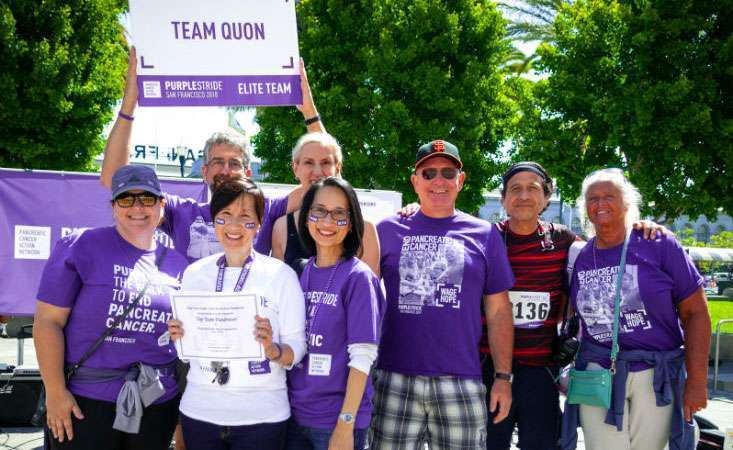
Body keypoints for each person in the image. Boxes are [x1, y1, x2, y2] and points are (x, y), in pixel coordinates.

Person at [100, 47, 325, 260]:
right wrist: (128, 105)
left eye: (234, 163)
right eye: (218, 162)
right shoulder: (181, 213)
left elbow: (326, 186)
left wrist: (309, 112)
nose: (226, 170)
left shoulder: (266, 209)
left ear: (248, 172)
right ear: (204, 171)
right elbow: (114, 178)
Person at [371, 140, 515, 449]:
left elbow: (499, 311)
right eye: (429, 173)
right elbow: (361, 300)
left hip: (460, 380)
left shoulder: (485, 234)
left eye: (448, 173)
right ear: (415, 181)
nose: (439, 181)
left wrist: (503, 377)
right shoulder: (385, 230)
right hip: (394, 377)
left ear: (460, 181)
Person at [33, 165, 189, 449]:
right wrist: (55, 393)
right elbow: (47, 322)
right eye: (127, 199)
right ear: (114, 206)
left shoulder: (180, 265)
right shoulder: (80, 246)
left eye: (147, 198)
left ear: (161, 206)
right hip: (86, 403)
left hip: (155, 402)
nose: (137, 207)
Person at [561, 169, 710, 450]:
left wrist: (697, 382)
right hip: (597, 373)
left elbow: (697, 313)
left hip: (654, 375)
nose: (601, 203)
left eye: (610, 196)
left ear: (627, 203)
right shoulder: (581, 257)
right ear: (585, 209)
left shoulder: (658, 243)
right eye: (593, 198)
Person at [167, 175, 306, 450]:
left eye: (245, 217)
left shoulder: (281, 275)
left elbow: (297, 349)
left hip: (262, 417)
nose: (233, 226)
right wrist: (178, 336)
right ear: (213, 219)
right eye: (225, 215)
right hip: (200, 412)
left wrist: (273, 349)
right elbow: (185, 352)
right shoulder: (194, 274)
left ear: (258, 225)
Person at [480, 162, 578, 450]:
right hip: (488, 367)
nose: (523, 195)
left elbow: (607, 247)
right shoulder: (484, 238)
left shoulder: (564, 241)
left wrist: (638, 226)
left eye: (533, 188)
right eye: (515, 189)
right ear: (503, 199)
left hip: (540, 369)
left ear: (547, 197)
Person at [285, 176, 383, 450]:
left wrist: (345, 424)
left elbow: (363, 358)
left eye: (339, 214)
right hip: (295, 416)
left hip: (336, 422)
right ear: (306, 217)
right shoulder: (300, 272)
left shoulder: (358, 277)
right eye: (319, 211)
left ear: (351, 224)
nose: (327, 222)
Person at [271, 133, 381, 275]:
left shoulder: (365, 230)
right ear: (295, 168)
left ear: (338, 168)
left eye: (325, 162)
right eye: (308, 162)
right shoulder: (282, 228)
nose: (317, 172)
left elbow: (367, 292)